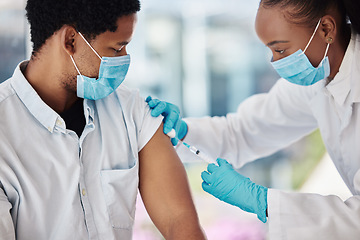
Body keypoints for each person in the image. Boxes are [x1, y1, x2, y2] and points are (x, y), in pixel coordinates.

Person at [147, 0, 360, 239]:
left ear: (326, 30)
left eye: (280, 50)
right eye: (270, 51)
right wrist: (182, 133)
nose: (275, 63)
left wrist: (263, 202)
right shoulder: (317, 80)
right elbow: (244, 132)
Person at [0, 0, 207, 239]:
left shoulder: (132, 110)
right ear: (71, 41)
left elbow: (179, 221)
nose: (125, 59)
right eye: (117, 49)